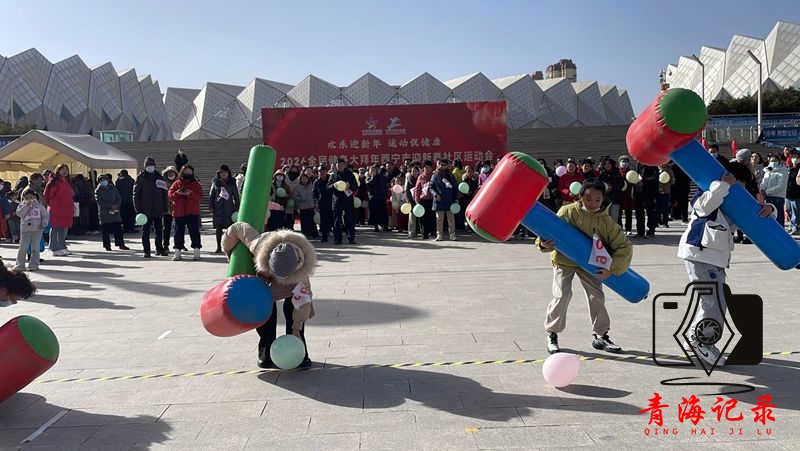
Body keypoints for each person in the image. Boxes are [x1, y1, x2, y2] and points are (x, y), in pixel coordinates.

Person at [677, 162, 776, 366]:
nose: (740, 190)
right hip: (700, 254)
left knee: (712, 301)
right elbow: (702, 208)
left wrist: (770, 209)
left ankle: (695, 337)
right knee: (713, 301)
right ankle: (703, 342)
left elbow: (757, 218)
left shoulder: (735, 202)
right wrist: (723, 185)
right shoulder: (709, 191)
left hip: (716, 258)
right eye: (739, 184)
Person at [536, 179, 632, 355]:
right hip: (564, 260)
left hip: (590, 264)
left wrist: (612, 269)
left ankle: (601, 335)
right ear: (580, 196)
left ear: (603, 199)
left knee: (597, 296)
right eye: (588, 199)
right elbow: (547, 231)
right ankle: (552, 333)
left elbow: (624, 246)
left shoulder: (606, 221)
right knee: (562, 295)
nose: (593, 203)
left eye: (597, 200)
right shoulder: (567, 212)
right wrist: (543, 243)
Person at [221, 223, 316, 369]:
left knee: (294, 312)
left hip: (292, 285)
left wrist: (296, 330)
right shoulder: (260, 245)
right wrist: (231, 256)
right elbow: (237, 228)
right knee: (265, 313)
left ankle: (299, 353)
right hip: (264, 283)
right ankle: (265, 353)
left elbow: (303, 305)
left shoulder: (302, 273)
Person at [133, 156, 169, 258]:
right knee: (146, 231)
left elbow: (164, 193)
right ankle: (147, 251)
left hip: (158, 208)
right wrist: (138, 208)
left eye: (152, 165)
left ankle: (159, 249)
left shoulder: (159, 177)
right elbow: (135, 194)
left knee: (159, 231)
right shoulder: (140, 178)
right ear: (145, 166)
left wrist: (165, 207)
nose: (150, 167)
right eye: (148, 165)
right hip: (145, 210)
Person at [168, 165, 203, 261]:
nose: (188, 174)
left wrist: (190, 194)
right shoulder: (176, 184)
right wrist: (178, 193)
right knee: (178, 233)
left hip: (192, 212)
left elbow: (200, 196)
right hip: (179, 212)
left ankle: (197, 251)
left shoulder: (196, 184)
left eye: (190, 172)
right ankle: (177, 252)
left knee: (194, 232)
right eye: (186, 172)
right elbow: (170, 195)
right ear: (182, 173)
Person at [14, 188, 49, 271]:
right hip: (25, 230)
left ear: (35, 197)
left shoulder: (39, 206)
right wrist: (26, 206)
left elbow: (45, 215)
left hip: (37, 229)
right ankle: (20, 265)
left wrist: (43, 223)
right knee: (23, 248)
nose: (29, 199)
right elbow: (20, 214)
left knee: (35, 248)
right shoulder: (21, 205)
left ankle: (34, 264)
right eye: (27, 198)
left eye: (31, 197)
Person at [43, 164, 74, 256]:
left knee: (62, 228)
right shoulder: (54, 181)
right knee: (55, 227)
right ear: (57, 170)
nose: (65, 171)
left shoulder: (66, 181)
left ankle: (62, 246)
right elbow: (47, 195)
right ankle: (54, 248)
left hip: (65, 208)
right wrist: (53, 203)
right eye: (62, 169)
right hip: (56, 207)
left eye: (66, 169)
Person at [209, 165, 240, 253]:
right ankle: (218, 247)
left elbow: (236, 196)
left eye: (225, 172)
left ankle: (229, 246)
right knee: (218, 228)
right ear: (219, 173)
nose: (223, 174)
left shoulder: (232, 182)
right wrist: (211, 206)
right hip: (218, 209)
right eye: (221, 172)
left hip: (229, 208)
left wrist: (238, 207)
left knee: (229, 229)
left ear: (228, 173)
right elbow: (212, 195)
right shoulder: (215, 182)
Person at [95, 174, 129, 252]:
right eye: (101, 180)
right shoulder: (98, 190)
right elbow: (100, 201)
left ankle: (121, 244)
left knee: (118, 228)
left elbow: (118, 198)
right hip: (105, 213)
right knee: (105, 230)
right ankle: (107, 246)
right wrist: (110, 206)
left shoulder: (113, 188)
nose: (103, 181)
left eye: (104, 179)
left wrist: (116, 205)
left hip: (115, 211)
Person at [328, 159, 357, 245]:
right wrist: (334, 185)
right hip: (337, 201)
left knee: (350, 220)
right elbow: (328, 187)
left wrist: (350, 186)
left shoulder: (350, 175)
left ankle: (351, 238)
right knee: (337, 220)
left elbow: (355, 187)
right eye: (338, 165)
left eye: (341, 164)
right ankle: (337, 239)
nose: (339, 166)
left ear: (344, 165)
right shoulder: (333, 175)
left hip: (348, 200)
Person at [429, 159, 458, 241]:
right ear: (438, 165)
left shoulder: (451, 175)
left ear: (447, 166)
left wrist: (456, 199)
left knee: (451, 219)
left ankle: (452, 235)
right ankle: (439, 235)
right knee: (439, 219)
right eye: (441, 165)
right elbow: (431, 187)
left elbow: (455, 188)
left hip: (450, 200)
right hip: (439, 200)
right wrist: (435, 194)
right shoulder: (435, 175)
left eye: (445, 165)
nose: (443, 167)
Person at [761, 154, 789, 228]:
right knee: (769, 218)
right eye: (771, 161)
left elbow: (781, 186)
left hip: (777, 198)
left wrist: (766, 192)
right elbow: (764, 182)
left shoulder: (783, 171)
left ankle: (780, 233)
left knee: (778, 219)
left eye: (775, 160)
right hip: (767, 197)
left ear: (779, 161)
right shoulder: (767, 171)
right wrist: (762, 189)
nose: (773, 162)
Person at [414, 160, 436, 239]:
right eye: (426, 167)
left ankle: (433, 232)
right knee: (423, 218)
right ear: (423, 168)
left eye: (429, 167)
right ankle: (424, 234)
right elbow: (417, 189)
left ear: (431, 168)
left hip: (433, 200)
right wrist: (417, 201)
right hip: (423, 200)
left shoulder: (434, 176)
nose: (427, 169)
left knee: (432, 217)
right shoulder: (421, 177)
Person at [161, 166, 180, 251]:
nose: (171, 174)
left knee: (179, 227)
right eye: (169, 173)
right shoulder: (163, 183)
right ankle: (165, 245)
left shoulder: (179, 183)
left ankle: (180, 244)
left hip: (177, 208)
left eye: (172, 172)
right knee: (166, 227)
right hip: (167, 209)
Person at [313, 168, 333, 242]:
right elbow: (314, 193)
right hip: (322, 203)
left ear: (326, 171)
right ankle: (324, 236)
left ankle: (334, 234)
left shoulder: (331, 180)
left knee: (332, 219)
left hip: (332, 203)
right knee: (323, 221)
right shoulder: (317, 182)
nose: (322, 173)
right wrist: (316, 203)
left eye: (323, 171)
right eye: (320, 172)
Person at [366, 166, 389, 232]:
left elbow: (385, 187)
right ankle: (376, 227)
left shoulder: (382, 177)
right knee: (375, 213)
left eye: (374, 170)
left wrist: (386, 196)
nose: (373, 171)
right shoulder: (368, 179)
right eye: (371, 170)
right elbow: (369, 185)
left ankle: (385, 226)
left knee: (383, 213)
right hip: (374, 198)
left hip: (382, 198)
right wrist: (373, 177)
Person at [785, 150, 800, 235]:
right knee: (788, 210)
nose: (795, 159)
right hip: (787, 193)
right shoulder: (788, 168)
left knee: (795, 211)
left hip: (796, 193)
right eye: (793, 157)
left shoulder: (799, 168)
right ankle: (792, 226)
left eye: (797, 157)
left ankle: (796, 227)